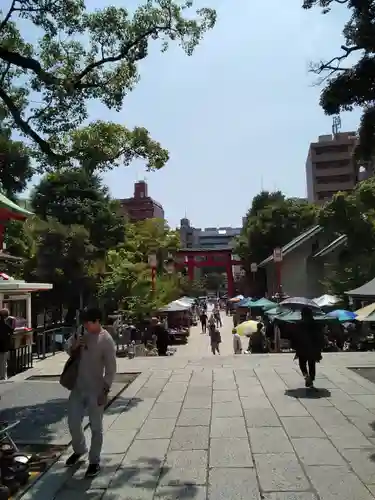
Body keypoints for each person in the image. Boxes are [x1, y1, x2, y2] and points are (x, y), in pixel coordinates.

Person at [65, 308, 117, 477]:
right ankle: (79, 449)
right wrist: (74, 346)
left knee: (96, 426)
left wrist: (105, 390)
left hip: (95, 388)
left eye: (89, 322)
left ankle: (94, 461)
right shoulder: (80, 333)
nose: (86, 325)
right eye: (84, 323)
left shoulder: (106, 340)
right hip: (78, 387)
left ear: (97, 321)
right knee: (73, 421)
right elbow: (67, 348)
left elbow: (110, 369)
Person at [293, 307, 324, 388]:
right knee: (312, 364)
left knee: (302, 364)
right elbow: (320, 336)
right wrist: (319, 348)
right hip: (313, 348)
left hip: (302, 348)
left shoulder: (299, 324)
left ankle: (306, 376)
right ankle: (311, 378)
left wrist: (295, 347)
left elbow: (295, 337)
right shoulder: (316, 324)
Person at [0, 309, 13, 380]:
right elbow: (11, 330)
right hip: (4, 346)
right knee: (3, 362)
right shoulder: (6, 324)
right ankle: (3, 377)